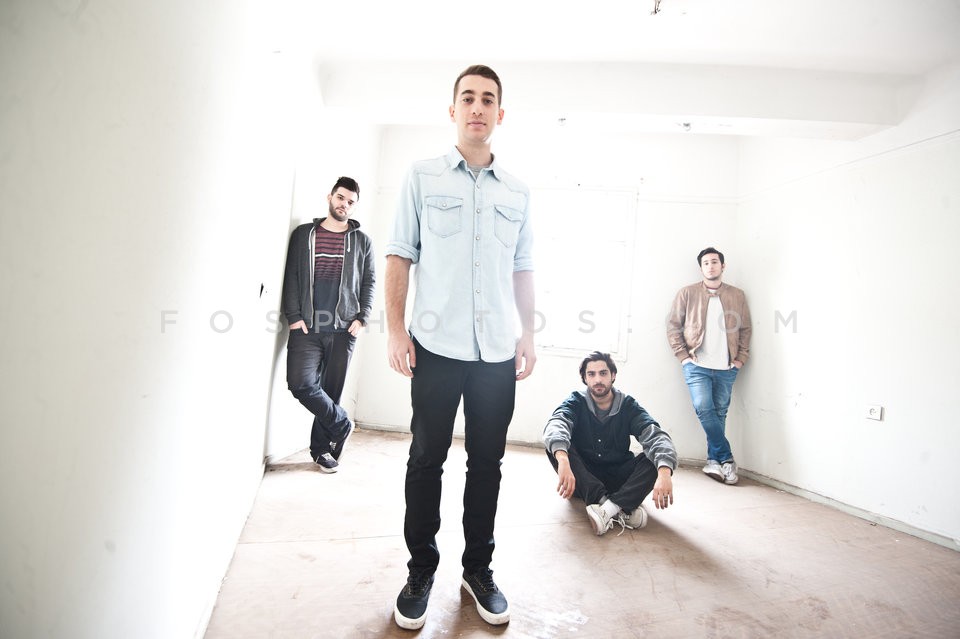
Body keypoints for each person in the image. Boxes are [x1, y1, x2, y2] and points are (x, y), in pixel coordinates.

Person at [385, 64, 536, 630]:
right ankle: (420, 571)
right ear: (453, 110)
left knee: (487, 464)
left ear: (500, 113)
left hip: (496, 352)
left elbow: (522, 266)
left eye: (488, 99)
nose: (477, 107)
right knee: (427, 460)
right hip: (436, 347)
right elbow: (399, 253)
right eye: (468, 98)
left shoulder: (517, 191)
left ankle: (478, 571)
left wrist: (528, 332)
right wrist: (395, 330)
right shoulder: (422, 177)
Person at [281, 176, 375, 473]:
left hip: (344, 329)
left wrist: (362, 317)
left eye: (350, 202)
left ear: (354, 206)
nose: (344, 204)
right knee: (300, 383)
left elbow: (369, 281)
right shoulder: (304, 234)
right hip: (307, 327)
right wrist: (294, 316)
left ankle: (322, 451)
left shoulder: (362, 241)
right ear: (330, 197)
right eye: (340, 198)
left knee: (331, 392)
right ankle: (342, 423)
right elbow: (292, 275)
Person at [543, 351, 677, 536]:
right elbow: (557, 423)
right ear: (585, 378)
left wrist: (664, 472)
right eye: (591, 374)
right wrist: (564, 460)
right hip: (583, 477)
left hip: (619, 477)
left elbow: (656, 436)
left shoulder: (628, 405)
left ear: (613, 375)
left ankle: (607, 509)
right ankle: (620, 508)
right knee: (556, 447)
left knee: (655, 459)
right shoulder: (576, 401)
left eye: (603, 373)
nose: (598, 379)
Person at [666, 247, 751, 485]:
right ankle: (727, 458)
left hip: (727, 366)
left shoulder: (737, 295)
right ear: (701, 267)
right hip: (696, 364)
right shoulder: (687, 293)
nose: (710, 266)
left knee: (720, 412)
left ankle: (713, 462)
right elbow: (673, 326)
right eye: (706, 263)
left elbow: (745, 328)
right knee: (704, 407)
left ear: (723, 266)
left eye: (714, 262)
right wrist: (683, 356)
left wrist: (740, 358)